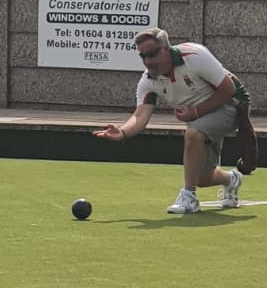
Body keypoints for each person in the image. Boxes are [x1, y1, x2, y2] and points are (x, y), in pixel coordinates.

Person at [93, 29, 247, 213]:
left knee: (193, 133)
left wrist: (196, 112)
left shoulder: (194, 55)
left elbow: (228, 89)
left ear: (165, 49)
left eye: (152, 54)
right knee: (201, 177)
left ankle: (189, 197)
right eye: (143, 56)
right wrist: (123, 132)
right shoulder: (148, 81)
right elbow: (140, 115)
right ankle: (231, 179)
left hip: (231, 103)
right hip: (200, 116)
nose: (148, 61)